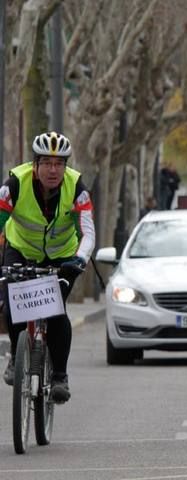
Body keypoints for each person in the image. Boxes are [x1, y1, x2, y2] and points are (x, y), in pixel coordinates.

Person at [1, 132, 95, 404]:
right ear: (35, 165)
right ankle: (16, 358)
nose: (53, 170)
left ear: (65, 166)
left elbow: (88, 232)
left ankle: (60, 377)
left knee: (55, 313)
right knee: (11, 304)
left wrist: (80, 259)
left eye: (59, 164)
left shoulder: (77, 188)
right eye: (46, 163)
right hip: (21, 250)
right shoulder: (14, 185)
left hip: (62, 257)